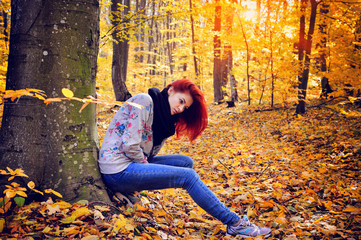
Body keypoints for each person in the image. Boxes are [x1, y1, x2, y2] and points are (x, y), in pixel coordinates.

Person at [98, 79, 271, 238]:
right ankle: (235, 223)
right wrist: (145, 165)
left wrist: (160, 140)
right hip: (117, 169)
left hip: (130, 165)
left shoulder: (165, 120)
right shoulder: (145, 100)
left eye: (185, 108)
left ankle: (129, 191)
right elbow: (130, 146)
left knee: (185, 162)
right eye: (181, 101)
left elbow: (149, 154)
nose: (181, 109)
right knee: (188, 177)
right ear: (171, 90)